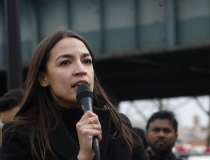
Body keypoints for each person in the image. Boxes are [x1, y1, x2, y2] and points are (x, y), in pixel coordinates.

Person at [1, 29, 148, 160]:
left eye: (86, 61)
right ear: (43, 78)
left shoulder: (119, 125)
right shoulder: (20, 134)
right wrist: (83, 156)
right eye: (65, 63)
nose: (81, 69)